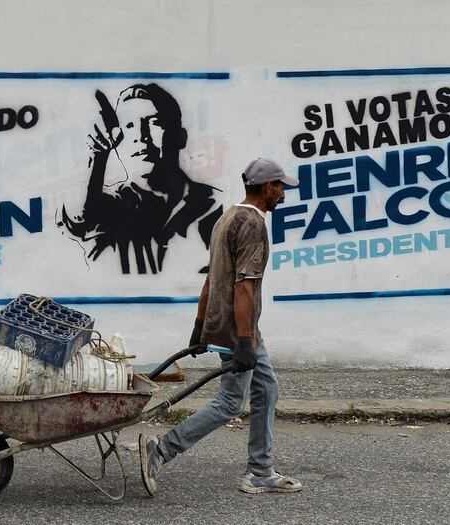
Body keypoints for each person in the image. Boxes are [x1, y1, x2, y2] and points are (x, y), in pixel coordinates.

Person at [139, 158, 303, 495]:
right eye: (281, 187)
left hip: (236, 328)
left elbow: (212, 278)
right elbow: (244, 286)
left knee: (267, 389)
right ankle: (162, 448)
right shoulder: (253, 225)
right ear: (267, 187)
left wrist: (200, 326)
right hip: (237, 329)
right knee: (230, 403)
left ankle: (259, 469)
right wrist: (243, 340)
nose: (284, 194)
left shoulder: (226, 218)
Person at [60, 83, 222, 274]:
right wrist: (98, 159)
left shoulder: (212, 206)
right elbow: (81, 227)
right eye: (129, 125)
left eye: (153, 123)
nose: (140, 136)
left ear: (179, 137)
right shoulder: (116, 205)